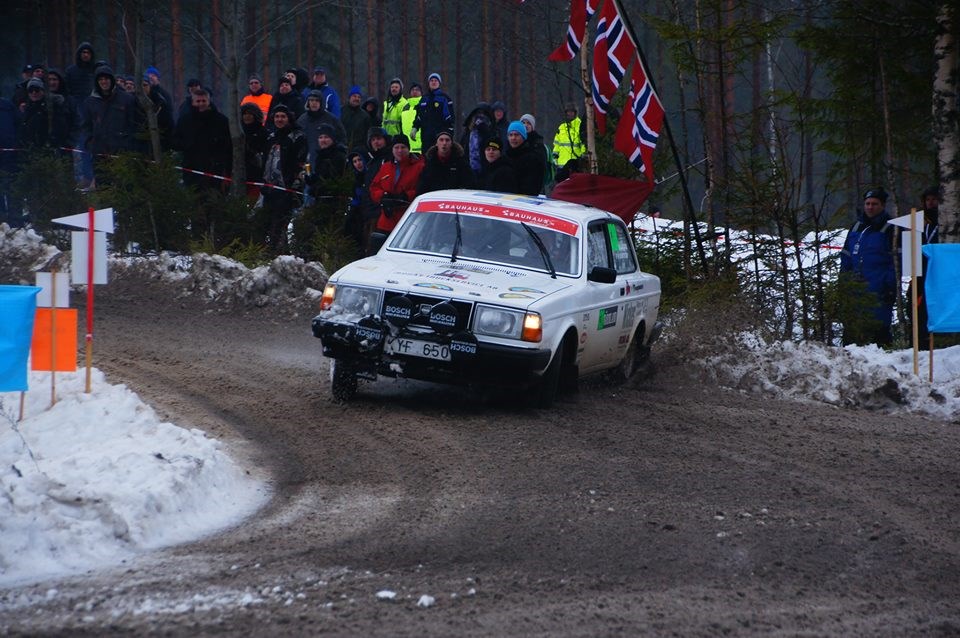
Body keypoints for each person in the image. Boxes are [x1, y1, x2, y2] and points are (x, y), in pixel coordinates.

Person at [839, 188, 898, 347]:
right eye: (868, 204)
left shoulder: (891, 228)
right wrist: (843, 281)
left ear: (882, 205)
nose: (870, 207)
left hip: (879, 289)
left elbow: (895, 263)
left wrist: (890, 286)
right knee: (851, 334)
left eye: (874, 204)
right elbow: (846, 256)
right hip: (855, 289)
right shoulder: (856, 227)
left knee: (879, 333)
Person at [259, 104, 307, 254]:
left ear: (289, 118)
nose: (279, 119)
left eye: (283, 117)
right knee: (266, 222)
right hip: (269, 188)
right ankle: (270, 251)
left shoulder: (297, 137)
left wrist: (296, 183)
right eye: (277, 117)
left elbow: (302, 162)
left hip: (287, 188)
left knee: (281, 224)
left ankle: (279, 253)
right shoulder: (271, 136)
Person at [81, 65, 138, 184]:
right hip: (99, 152)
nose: (103, 82)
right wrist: (90, 143)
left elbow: (133, 124)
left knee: (123, 186)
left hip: (121, 153)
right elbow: (86, 126)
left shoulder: (127, 99)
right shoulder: (89, 102)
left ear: (112, 79)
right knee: (102, 186)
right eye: (100, 79)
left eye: (106, 78)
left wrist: (128, 144)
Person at [172, 87, 232, 194]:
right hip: (191, 166)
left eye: (204, 101)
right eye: (198, 101)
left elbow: (228, 143)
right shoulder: (184, 120)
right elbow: (175, 141)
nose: (201, 104)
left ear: (209, 101)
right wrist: (187, 145)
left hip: (214, 167)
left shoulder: (221, 120)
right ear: (193, 102)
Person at [369, 133, 424, 237]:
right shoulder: (386, 167)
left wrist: (406, 196)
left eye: (403, 147)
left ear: (408, 149)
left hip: (409, 220)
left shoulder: (419, 167)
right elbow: (374, 187)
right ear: (392, 149)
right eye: (396, 147)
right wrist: (383, 196)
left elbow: (422, 189)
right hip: (386, 220)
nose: (399, 150)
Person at [906, 186, 941, 348]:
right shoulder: (920, 221)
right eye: (928, 200)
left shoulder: (948, 221)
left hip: (940, 271)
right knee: (915, 305)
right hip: (920, 270)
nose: (931, 203)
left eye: (934, 199)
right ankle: (917, 342)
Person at [18, 78, 70, 151]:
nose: (34, 93)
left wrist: (52, 143)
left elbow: (61, 127)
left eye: (37, 90)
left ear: (43, 91)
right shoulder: (26, 108)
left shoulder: (53, 106)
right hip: (30, 149)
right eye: (30, 90)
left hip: (49, 149)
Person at [417, 128, 474, 194]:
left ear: (451, 143)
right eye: (441, 140)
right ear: (436, 143)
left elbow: (469, 183)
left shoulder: (461, 162)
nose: (444, 143)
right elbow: (422, 186)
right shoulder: (429, 162)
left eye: (447, 140)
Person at [298, 89, 347, 159]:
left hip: (328, 159)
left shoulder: (331, 119)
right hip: (307, 159)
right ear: (308, 102)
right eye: (311, 100)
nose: (314, 103)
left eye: (317, 100)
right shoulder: (302, 120)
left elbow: (342, 138)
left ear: (321, 102)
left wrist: (337, 154)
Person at [412, 72, 455, 151]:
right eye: (431, 80)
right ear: (429, 83)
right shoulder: (424, 98)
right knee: (426, 155)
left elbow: (450, 118)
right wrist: (415, 127)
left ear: (439, 83)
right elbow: (419, 116)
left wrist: (449, 133)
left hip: (439, 136)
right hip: (425, 135)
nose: (433, 82)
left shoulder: (445, 98)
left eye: (436, 80)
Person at [305, 124, 346, 201]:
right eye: (320, 137)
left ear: (333, 139)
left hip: (333, 199)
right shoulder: (320, 156)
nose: (323, 140)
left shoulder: (338, 156)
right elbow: (319, 177)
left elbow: (334, 180)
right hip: (320, 199)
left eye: (326, 137)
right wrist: (310, 179)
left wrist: (316, 189)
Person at [505, 120, 545, 196]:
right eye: (510, 135)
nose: (513, 138)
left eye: (517, 135)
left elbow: (532, 186)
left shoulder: (532, 158)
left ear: (523, 137)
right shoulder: (506, 157)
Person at [240, 102, 268, 200]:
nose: (247, 116)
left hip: (256, 173)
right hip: (239, 171)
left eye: (250, 114)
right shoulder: (238, 131)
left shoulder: (263, 132)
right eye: (244, 114)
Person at [520, 113, 554, 192]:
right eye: (523, 123)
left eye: (528, 123)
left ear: (533, 127)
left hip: (535, 187)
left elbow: (542, 168)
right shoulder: (516, 142)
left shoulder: (538, 144)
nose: (525, 125)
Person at [459, 102, 495, 176]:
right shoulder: (468, 130)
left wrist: (485, 131)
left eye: (483, 113)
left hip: (487, 170)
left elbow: (494, 148)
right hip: (469, 171)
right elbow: (462, 149)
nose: (480, 117)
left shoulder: (493, 130)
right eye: (478, 113)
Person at [552, 102, 586, 168]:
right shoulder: (561, 127)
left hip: (575, 165)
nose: (569, 114)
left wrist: (582, 158)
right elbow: (556, 145)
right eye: (568, 112)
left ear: (575, 113)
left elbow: (583, 144)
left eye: (571, 112)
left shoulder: (580, 126)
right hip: (561, 165)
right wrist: (554, 158)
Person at [341, 85, 372, 151]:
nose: (357, 99)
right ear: (349, 98)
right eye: (354, 96)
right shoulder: (341, 111)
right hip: (342, 147)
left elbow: (367, 134)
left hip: (358, 149)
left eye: (359, 97)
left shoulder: (365, 116)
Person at [401, 82, 423, 155]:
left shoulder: (423, 105)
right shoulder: (405, 107)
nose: (414, 91)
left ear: (421, 93)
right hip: (407, 143)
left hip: (421, 143)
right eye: (413, 90)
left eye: (417, 90)